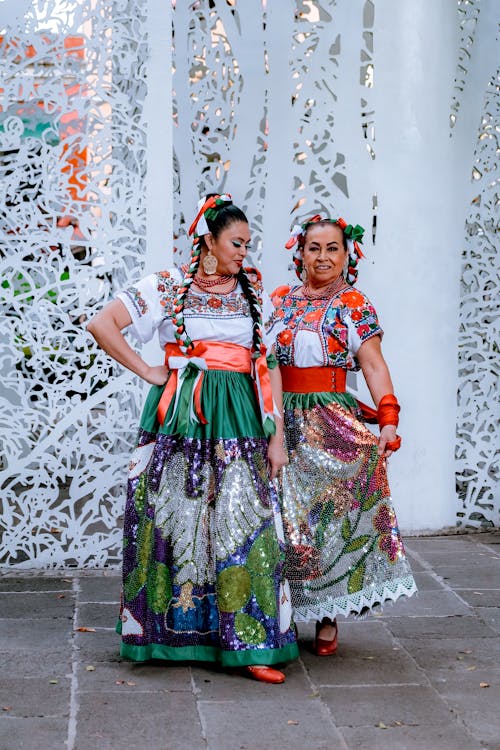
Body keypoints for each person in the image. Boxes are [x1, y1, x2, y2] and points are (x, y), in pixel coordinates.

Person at [87, 194, 299, 683]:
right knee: (173, 516)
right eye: (236, 242)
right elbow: (103, 324)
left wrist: (278, 436)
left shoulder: (253, 290)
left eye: (248, 244)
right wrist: (150, 371)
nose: (244, 252)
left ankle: (252, 643)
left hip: (241, 416)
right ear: (208, 240)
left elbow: (266, 366)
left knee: (243, 522)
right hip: (182, 414)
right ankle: (170, 636)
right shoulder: (165, 286)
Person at [268, 214, 417, 655]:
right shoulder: (279, 301)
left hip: (330, 422)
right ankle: (284, 609)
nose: (324, 257)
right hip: (279, 421)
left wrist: (388, 418)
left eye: (333, 248)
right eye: (315, 248)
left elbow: (373, 364)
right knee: (282, 516)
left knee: (328, 519)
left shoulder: (354, 303)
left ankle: (329, 614)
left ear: (346, 254)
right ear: (300, 253)